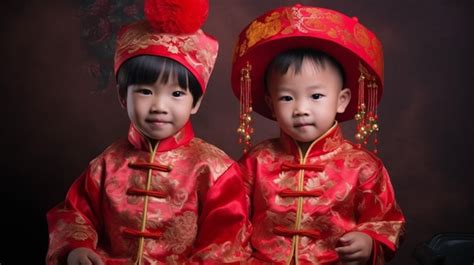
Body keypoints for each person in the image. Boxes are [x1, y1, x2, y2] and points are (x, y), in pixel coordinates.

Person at [46, 0, 250, 264]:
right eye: (145, 91)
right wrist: (78, 247)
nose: (159, 106)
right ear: (123, 97)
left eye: (176, 94)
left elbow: (225, 242)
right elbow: (74, 214)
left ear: (196, 102)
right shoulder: (107, 164)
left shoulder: (214, 169)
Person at [231, 4, 405, 264]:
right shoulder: (256, 161)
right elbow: (231, 222)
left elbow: (387, 221)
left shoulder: (363, 167)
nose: (301, 109)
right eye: (287, 97)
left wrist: (370, 241)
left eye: (316, 96)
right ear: (271, 104)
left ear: (342, 100)